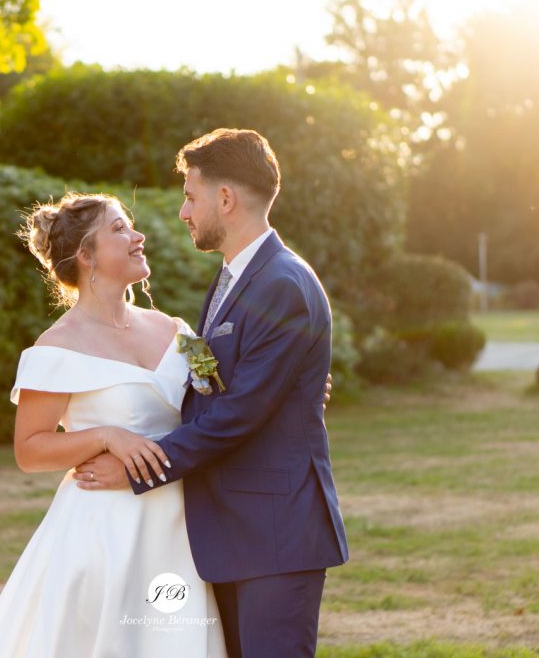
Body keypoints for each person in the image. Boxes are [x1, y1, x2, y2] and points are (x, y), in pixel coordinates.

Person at [73, 128, 350, 658]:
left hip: (274, 534)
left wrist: (135, 466)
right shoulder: (233, 279)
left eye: (190, 196)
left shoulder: (281, 285)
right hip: (232, 531)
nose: (183, 212)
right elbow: (214, 388)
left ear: (226, 199)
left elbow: (237, 415)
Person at [0, 192, 227, 657]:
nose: (138, 236)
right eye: (120, 229)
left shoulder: (179, 331)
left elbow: (224, 396)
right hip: (103, 534)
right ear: (86, 256)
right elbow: (30, 450)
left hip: (180, 529)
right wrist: (108, 436)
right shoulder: (55, 348)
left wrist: (296, 383)